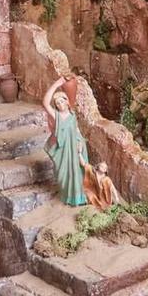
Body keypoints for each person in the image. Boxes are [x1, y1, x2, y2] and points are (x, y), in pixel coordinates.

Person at [42, 75, 89, 208]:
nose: (60, 105)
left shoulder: (72, 115)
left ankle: (79, 198)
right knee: (63, 174)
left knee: (78, 172)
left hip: (75, 146)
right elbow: (45, 102)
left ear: (67, 102)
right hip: (64, 150)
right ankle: (68, 196)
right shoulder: (56, 116)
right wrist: (57, 84)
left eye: (62, 102)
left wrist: (80, 143)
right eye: (57, 104)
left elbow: (77, 130)